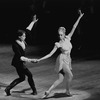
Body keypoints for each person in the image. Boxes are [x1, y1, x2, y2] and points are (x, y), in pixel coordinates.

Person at [31, 10, 84, 98]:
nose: (59, 36)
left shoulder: (68, 38)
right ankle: (67, 91)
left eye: (61, 35)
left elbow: (74, 27)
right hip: (62, 60)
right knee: (70, 75)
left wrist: (79, 17)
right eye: (59, 35)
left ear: (64, 34)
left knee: (60, 79)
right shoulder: (58, 44)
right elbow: (50, 54)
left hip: (68, 59)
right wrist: (39, 59)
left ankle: (48, 91)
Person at [5, 15, 38, 96]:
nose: (25, 36)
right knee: (29, 75)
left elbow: (28, 29)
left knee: (22, 78)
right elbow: (20, 57)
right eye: (23, 36)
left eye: (25, 35)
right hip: (18, 62)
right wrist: (31, 60)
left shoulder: (21, 39)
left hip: (19, 62)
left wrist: (33, 22)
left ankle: (8, 88)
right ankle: (34, 91)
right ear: (19, 37)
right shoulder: (15, 45)